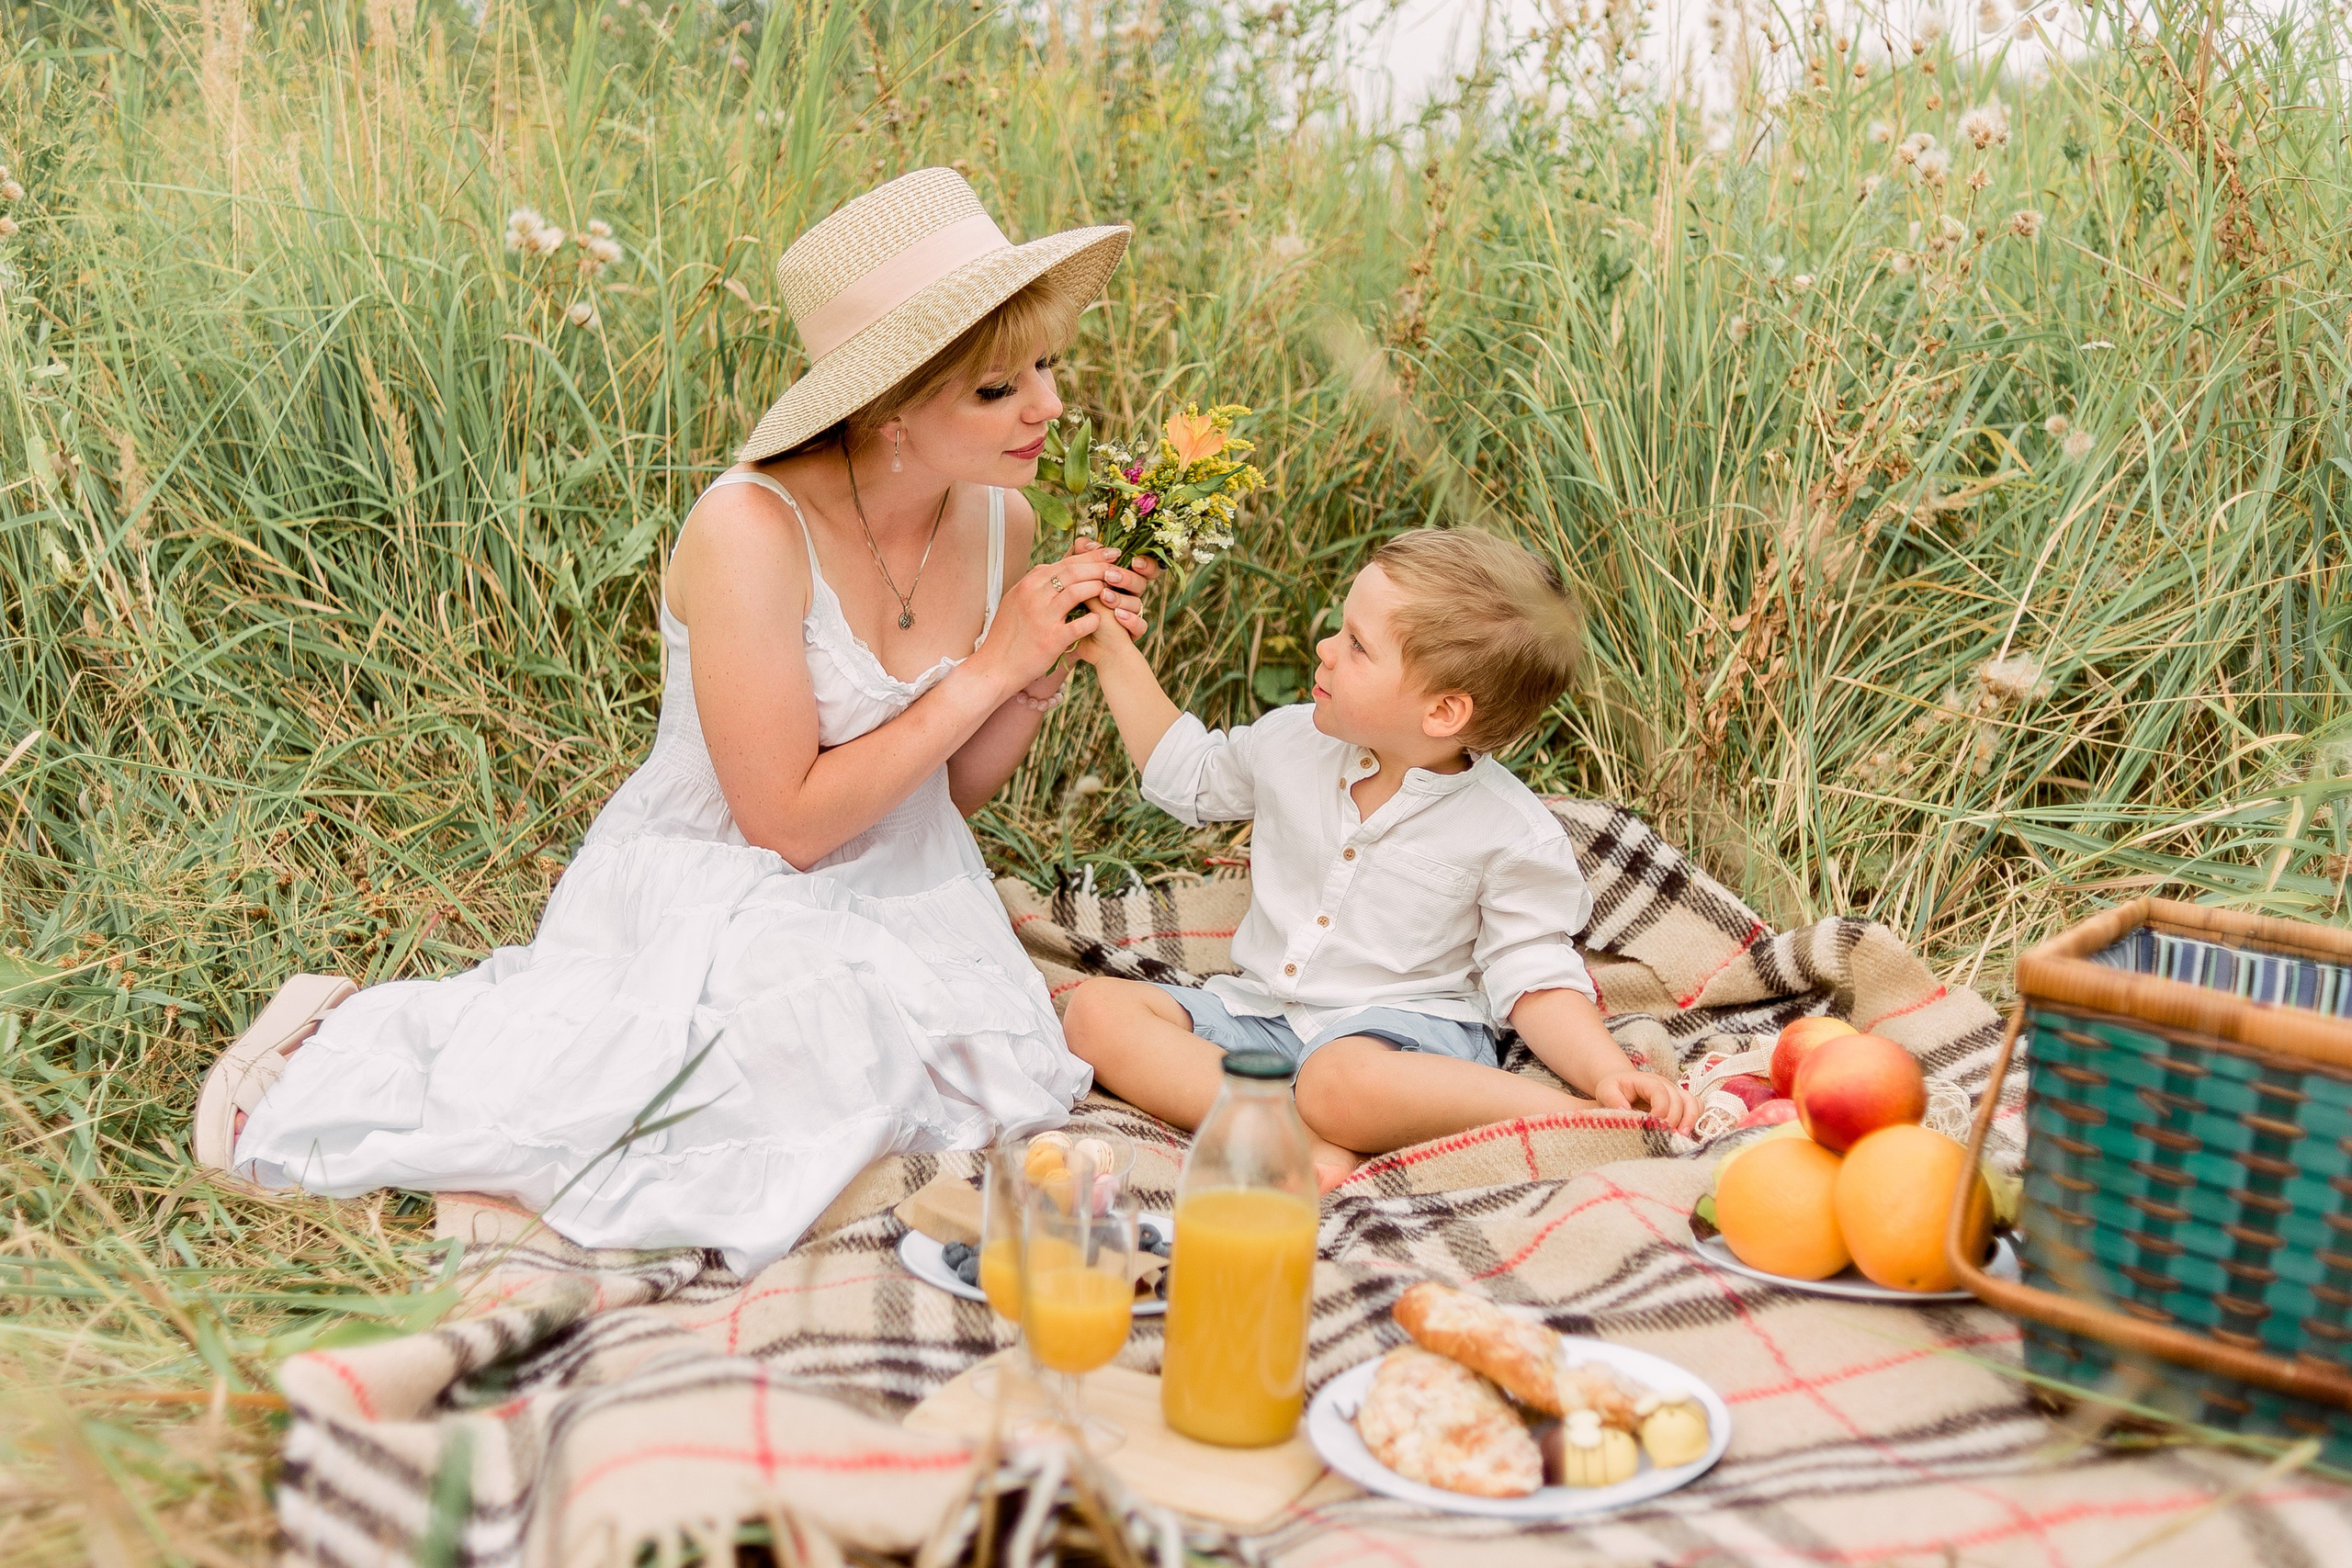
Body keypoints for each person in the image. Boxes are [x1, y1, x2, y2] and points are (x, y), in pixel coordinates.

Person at [195, 169, 1155, 1272]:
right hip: (724, 871)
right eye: (998, 390)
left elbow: (943, 791)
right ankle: (330, 1042)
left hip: (901, 876)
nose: (1048, 408)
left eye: (1045, 367)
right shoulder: (749, 529)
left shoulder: (1002, 520)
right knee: (736, 1089)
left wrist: (1033, 677)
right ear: (890, 406)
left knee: (959, 1082)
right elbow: (782, 825)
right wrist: (986, 672)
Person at [1061, 528, 1699, 1191]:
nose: (1325, 651)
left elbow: (1533, 973)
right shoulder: (1291, 741)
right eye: (1341, 630)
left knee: (1339, 1083)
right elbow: (1186, 773)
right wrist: (1109, 647)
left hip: (1400, 1040)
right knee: (1094, 1012)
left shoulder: (1509, 831)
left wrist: (1604, 1070)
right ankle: (1297, 1134)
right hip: (1262, 1014)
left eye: (1357, 646)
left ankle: (1569, 1116)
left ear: (1444, 710)